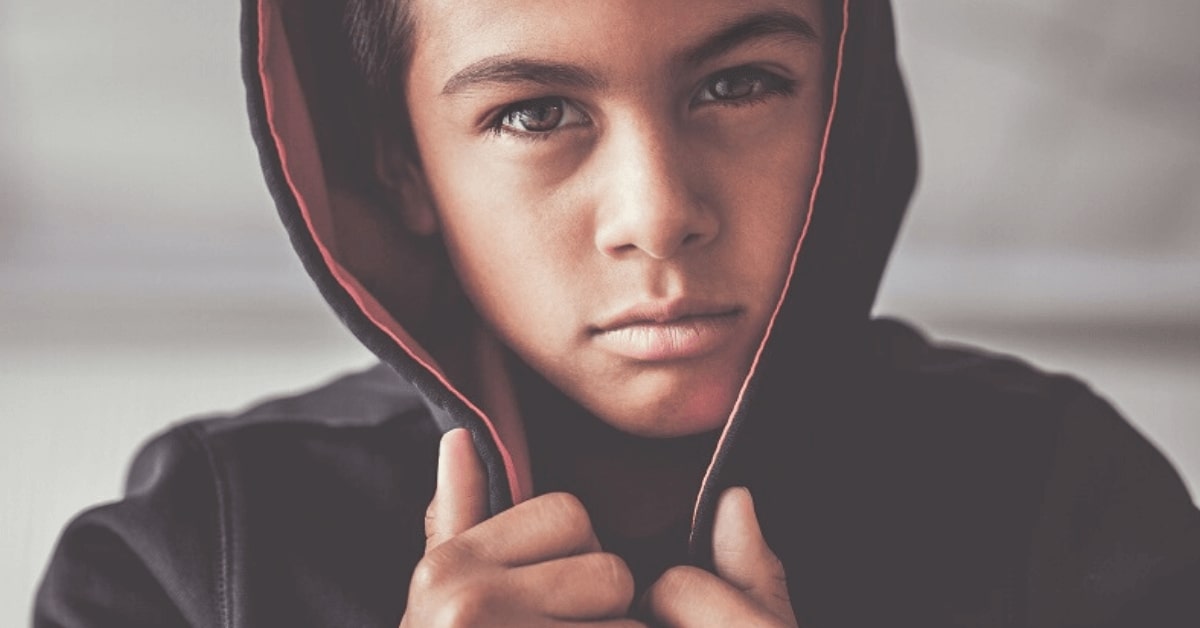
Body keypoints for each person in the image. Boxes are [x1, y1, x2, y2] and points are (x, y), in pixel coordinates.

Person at [34, 0, 1200, 626]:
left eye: (739, 84)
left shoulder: (1063, 500)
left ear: (842, 100)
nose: (658, 213)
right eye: (536, 113)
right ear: (400, 171)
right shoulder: (193, 561)